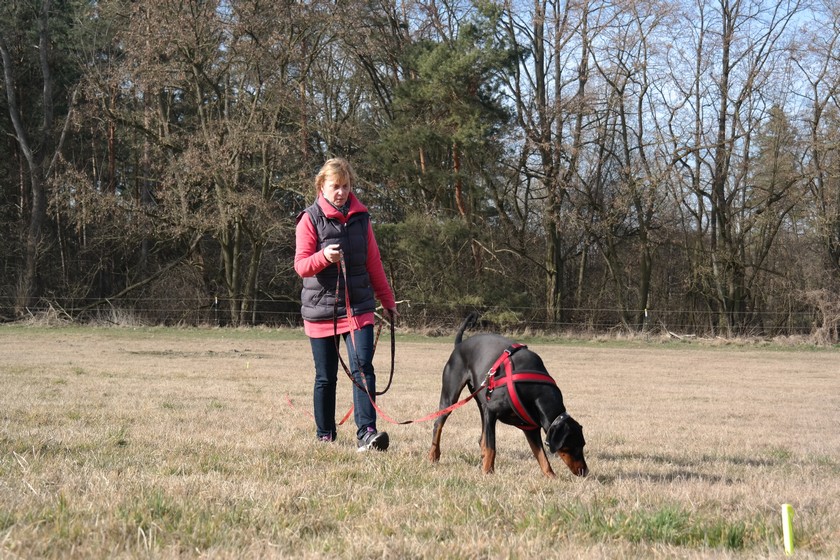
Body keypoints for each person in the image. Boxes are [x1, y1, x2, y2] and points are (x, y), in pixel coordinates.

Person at [294, 157, 398, 452]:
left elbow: (373, 263)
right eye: (335, 186)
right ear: (322, 187)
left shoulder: (362, 218)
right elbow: (301, 266)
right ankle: (325, 435)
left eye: (345, 186)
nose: (340, 192)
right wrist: (324, 257)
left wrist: (387, 301)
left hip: (358, 308)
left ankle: (367, 432)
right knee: (326, 377)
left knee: (362, 367)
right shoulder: (309, 219)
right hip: (321, 310)